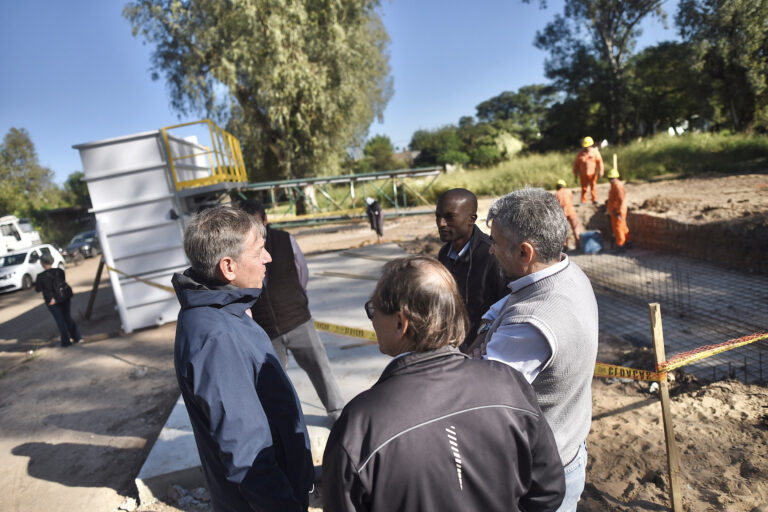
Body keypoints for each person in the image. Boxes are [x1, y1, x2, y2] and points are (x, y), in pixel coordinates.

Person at [323, 255, 565, 512]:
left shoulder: (360, 425)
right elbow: (548, 491)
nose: (371, 320)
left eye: (373, 309)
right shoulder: (510, 385)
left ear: (400, 322)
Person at [172, 206, 314, 512]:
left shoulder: (224, 312)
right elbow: (247, 454)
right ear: (229, 267)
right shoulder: (217, 339)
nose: (268, 259)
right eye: (259, 251)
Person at [474, 188, 599, 512]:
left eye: (496, 242)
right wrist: (489, 326)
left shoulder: (530, 325)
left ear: (524, 252)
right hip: (568, 449)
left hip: (536, 480)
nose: (490, 251)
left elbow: (479, 400)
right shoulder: (567, 274)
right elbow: (505, 304)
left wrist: (477, 344)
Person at [239, 199, 345, 421]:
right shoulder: (240, 251)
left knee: (320, 368)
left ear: (266, 220)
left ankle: (337, 412)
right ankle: (285, 422)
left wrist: (295, 300)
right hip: (267, 330)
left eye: (257, 223)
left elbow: (301, 273)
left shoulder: (286, 240)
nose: (255, 230)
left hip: (298, 321)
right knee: (275, 381)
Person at [435, 188, 507, 351]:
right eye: (438, 216)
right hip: (452, 350)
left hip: (482, 352)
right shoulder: (444, 254)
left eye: (449, 217)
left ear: (471, 219)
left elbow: (506, 308)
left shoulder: (491, 255)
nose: (441, 223)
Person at [35, 254, 82, 347]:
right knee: (68, 317)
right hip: (64, 297)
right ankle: (77, 337)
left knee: (60, 320)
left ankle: (66, 341)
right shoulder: (59, 271)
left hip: (52, 300)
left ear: (42, 263)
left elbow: (38, 289)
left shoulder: (41, 276)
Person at [572, 136, 604, 204]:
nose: (586, 148)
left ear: (591, 145)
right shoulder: (580, 153)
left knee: (593, 187)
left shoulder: (595, 152)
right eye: (585, 146)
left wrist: (601, 171)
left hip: (593, 174)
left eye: (587, 146)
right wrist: (575, 172)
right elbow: (576, 163)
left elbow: (600, 162)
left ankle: (594, 199)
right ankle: (583, 201)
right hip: (583, 174)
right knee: (584, 188)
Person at [605, 168, 631, 248]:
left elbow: (621, 199)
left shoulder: (617, 186)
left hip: (617, 211)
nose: (611, 180)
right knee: (623, 226)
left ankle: (621, 245)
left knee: (618, 228)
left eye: (611, 178)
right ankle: (628, 242)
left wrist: (618, 211)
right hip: (616, 210)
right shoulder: (615, 185)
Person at [554, 179, 581, 250]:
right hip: (571, 212)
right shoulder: (568, 191)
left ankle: (565, 246)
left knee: (563, 230)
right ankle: (579, 245)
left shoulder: (556, 193)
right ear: (564, 186)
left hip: (562, 214)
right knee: (576, 228)